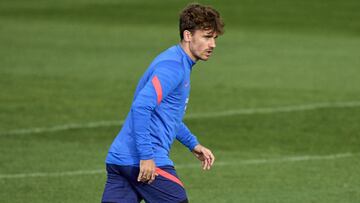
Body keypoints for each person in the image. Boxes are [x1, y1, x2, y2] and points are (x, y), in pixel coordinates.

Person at [102, 3, 224, 203]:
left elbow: (166, 115)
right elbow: (141, 107)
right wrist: (147, 156)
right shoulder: (173, 67)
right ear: (188, 35)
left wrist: (193, 144)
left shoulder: (176, 61)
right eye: (207, 37)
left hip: (119, 159)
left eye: (214, 38)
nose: (213, 45)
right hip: (143, 161)